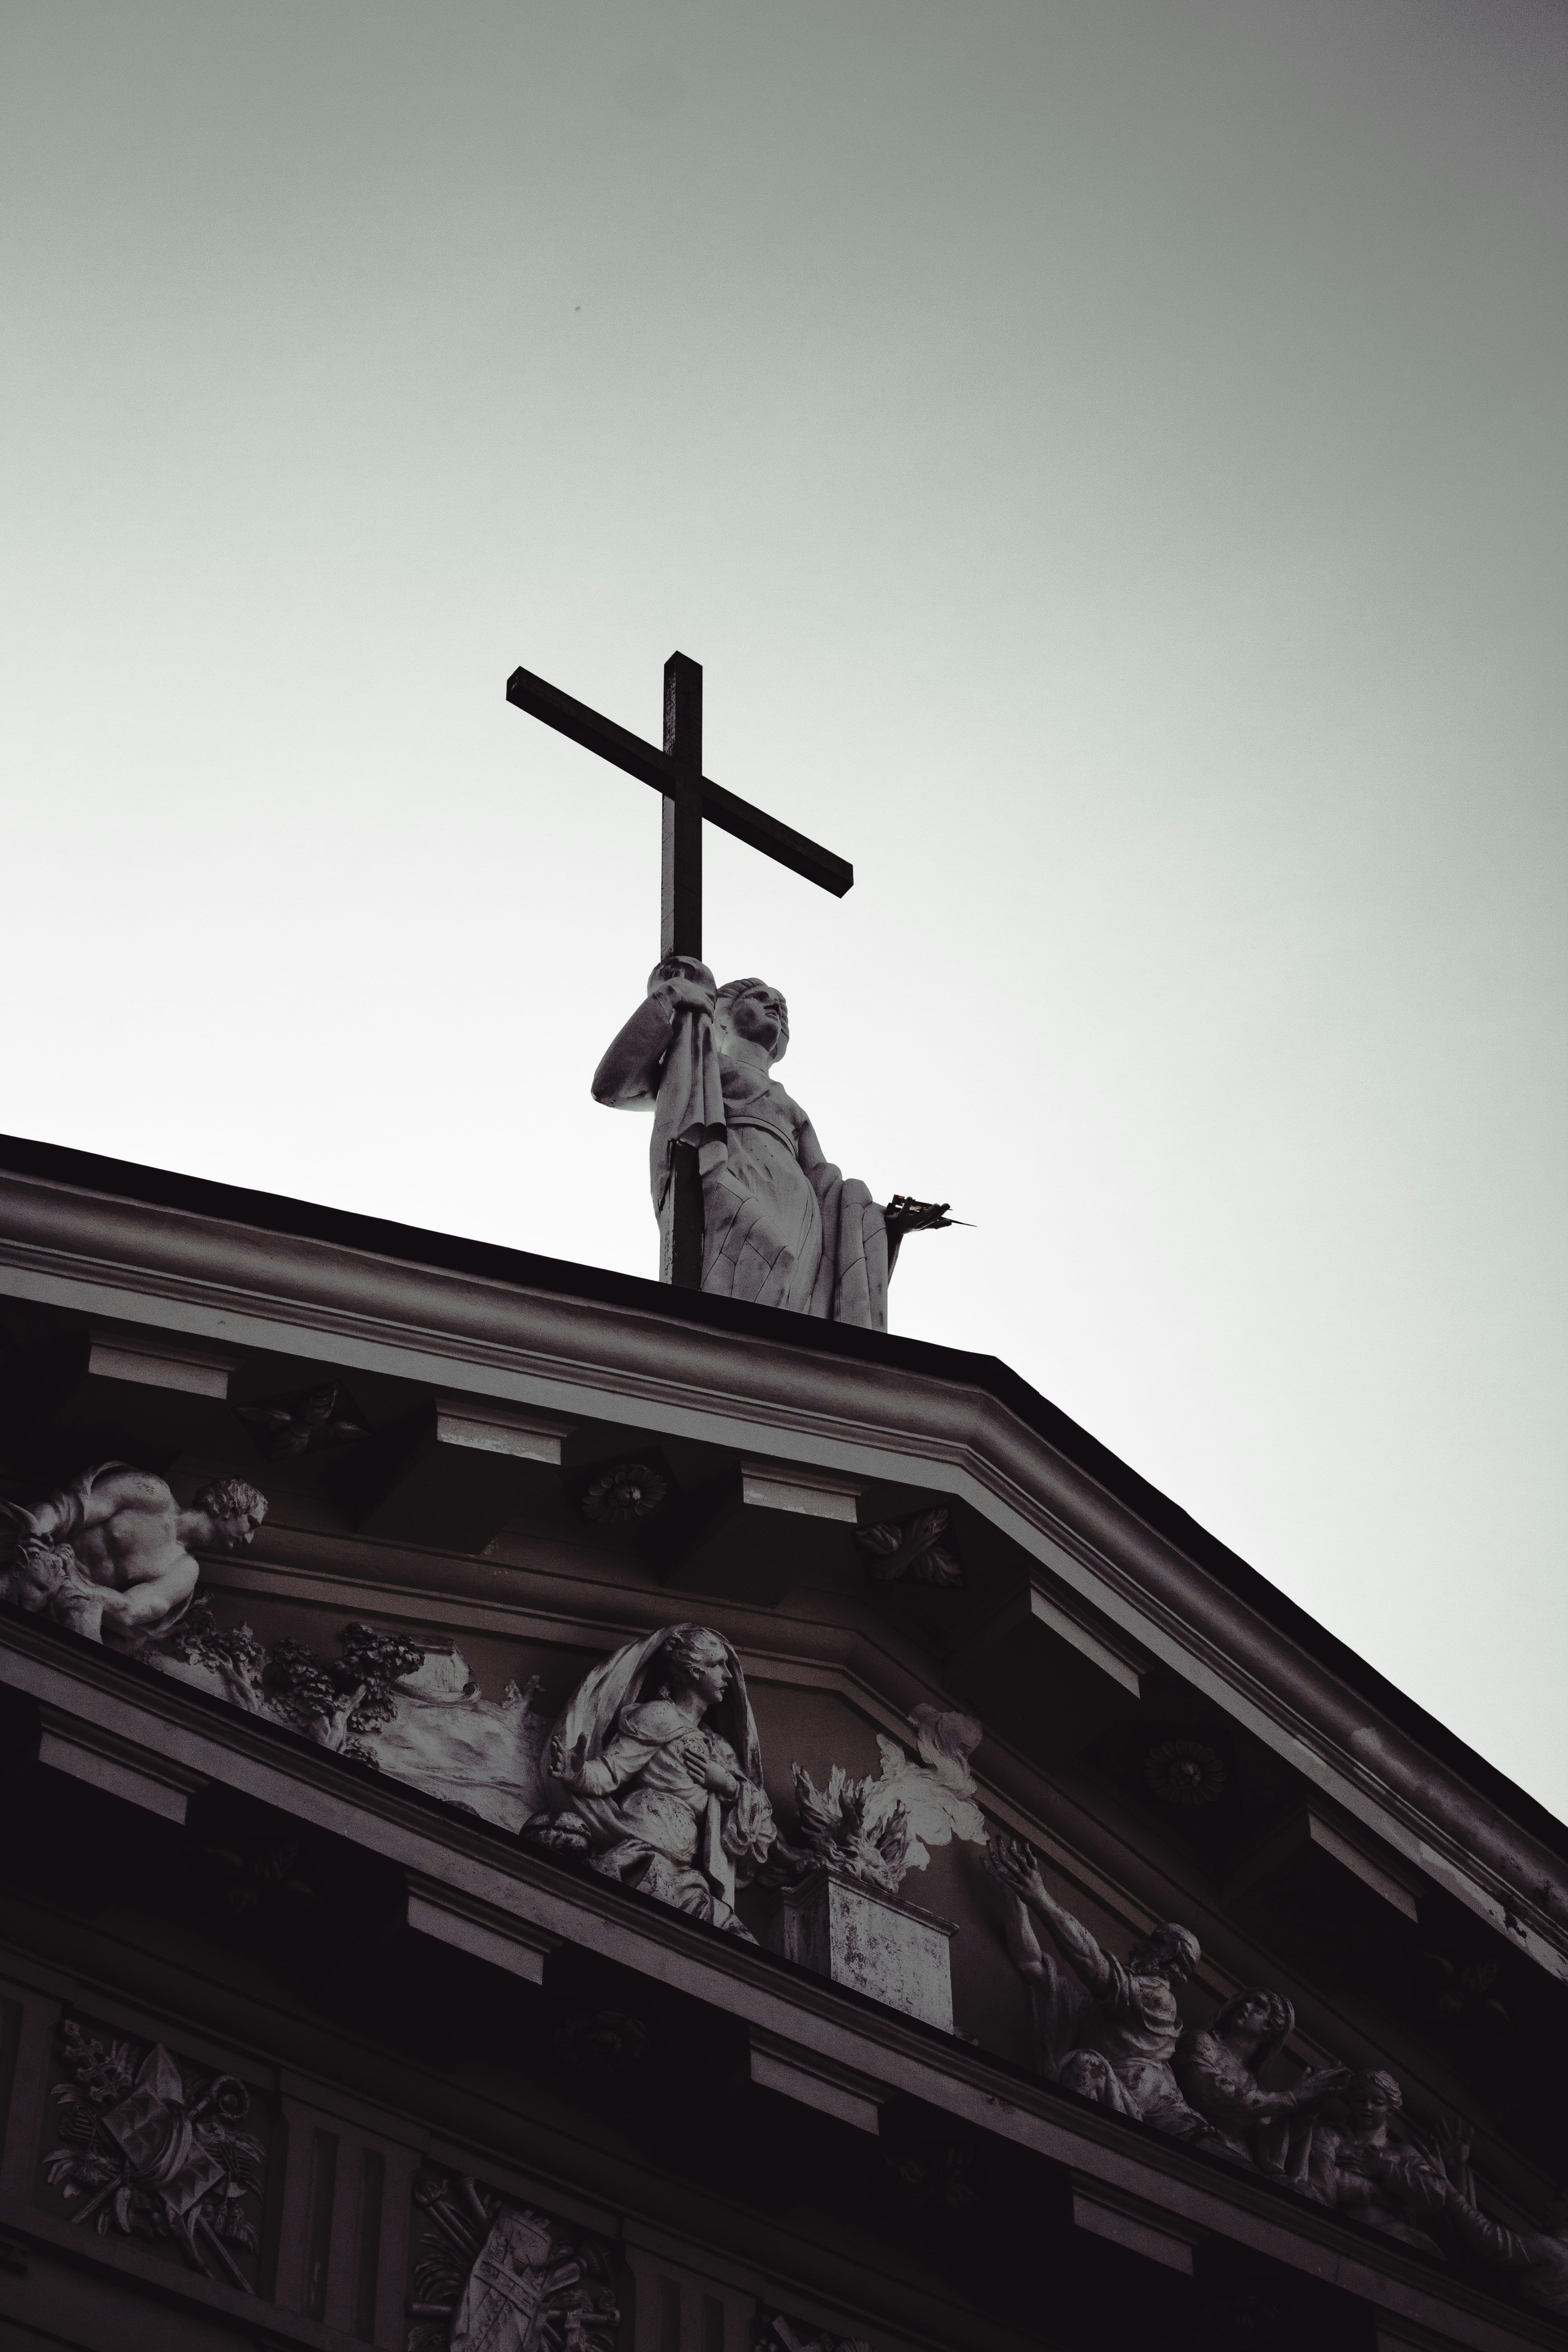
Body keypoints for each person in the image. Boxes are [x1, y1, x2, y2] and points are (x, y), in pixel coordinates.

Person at [592, 958, 944, 1327]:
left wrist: (884, 1225)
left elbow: (824, 1179)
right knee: (764, 1260)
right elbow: (612, 1087)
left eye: (781, 1004)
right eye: (760, 997)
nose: (775, 1005)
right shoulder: (699, 1063)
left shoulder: (793, 1107)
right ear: (723, 1015)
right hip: (732, 1172)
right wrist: (671, 996)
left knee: (795, 1304)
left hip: (800, 1207)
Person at [527, 1624, 775, 1939]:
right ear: (693, 1669)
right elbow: (611, 1770)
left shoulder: (719, 1748)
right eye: (717, 1665)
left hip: (684, 1870)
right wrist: (578, 1773)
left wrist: (726, 1783)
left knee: (739, 1945)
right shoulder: (660, 1716)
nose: (728, 1676)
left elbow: (759, 1819)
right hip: (643, 1847)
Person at [986, 1833, 1215, 2142]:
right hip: (1119, 2105)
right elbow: (1033, 1964)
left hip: (1164, 2126)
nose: (1137, 1947)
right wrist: (1015, 1898)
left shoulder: (1158, 1999)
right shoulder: (1098, 2011)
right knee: (1086, 2063)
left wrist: (1040, 1897)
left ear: (1171, 1959)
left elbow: (1095, 1967)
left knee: (1087, 2064)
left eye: (1155, 1942)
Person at [0, 1462, 266, 1646]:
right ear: (229, 1506)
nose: (249, 1540)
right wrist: (34, 1540)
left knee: (86, 1643)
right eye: (251, 1524)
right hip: (38, 1558)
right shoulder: (150, 1492)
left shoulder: (185, 1571)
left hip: (76, 1600)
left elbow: (129, 1611)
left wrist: (74, 1581)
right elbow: (62, 1512)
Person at [1174, 1989, 1348, 2168]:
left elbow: (1266, 2147)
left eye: (1260, 2007)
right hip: (1192, 2145)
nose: (1246, 2006)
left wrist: (1308, 2108)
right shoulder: (1202, 2041)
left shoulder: (1255, 2086)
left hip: (1233, 2162)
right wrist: (1293, 2097)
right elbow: (1215, 2092)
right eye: (1249, 2001)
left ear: (1270, 2027)